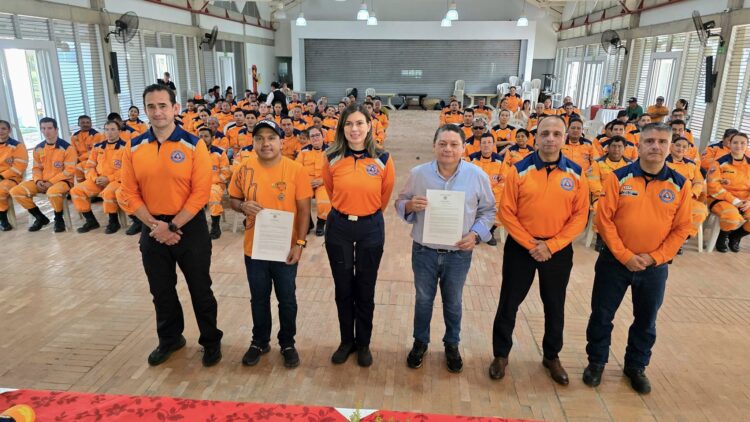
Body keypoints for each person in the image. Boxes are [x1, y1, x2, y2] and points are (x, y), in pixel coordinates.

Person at [116, 84, 223, 367]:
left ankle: (211, 340)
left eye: (163, 105)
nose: (157, 112)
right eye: (151, 106)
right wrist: (155, 226)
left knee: (200, 289)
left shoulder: (194, 145)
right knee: (161, 291)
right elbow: (128, 192)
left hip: (189, 228)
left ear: (175, 108)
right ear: (145, 110)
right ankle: (170, 338)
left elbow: (201, 192)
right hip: (152, 227)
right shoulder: (133, 147)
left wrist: (172, 227)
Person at [583, 123, 692, 394]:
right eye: (650, 141)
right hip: (614, 262)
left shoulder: (681, 184)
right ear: (639, 146)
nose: (656, 146)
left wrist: (655, 258)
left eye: (662, 142)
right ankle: (596, 362)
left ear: (670, 147)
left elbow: (682, 228)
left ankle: (636, 366)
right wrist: (625, 255)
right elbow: (604, 220)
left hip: (654, 268)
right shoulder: (618, 178)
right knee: (602, 315)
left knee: (646, 320)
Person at [489, 115, 589, 385]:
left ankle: (551, 356)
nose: (550, 139)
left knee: (554, 304)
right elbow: (507, 212)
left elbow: (580, 216)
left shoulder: (576, 174)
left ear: (565, 138)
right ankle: (501, 355)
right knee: (509, 302)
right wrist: (531, 244)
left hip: (557, 249)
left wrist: (551, 245)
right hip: (522, 247)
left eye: (556, 134)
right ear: (536, 138)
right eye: (545, 134)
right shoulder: (519, 170)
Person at [395, 125, 495, 373]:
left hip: (459, 254)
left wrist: (475, 234)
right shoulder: (419, 174)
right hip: (424, 252)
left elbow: (488, 211)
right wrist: (410, 206)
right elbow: (400, 202)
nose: (447, 149)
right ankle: (420, 342)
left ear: (464, 148)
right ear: (434, 146)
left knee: (453, 302)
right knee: (423, 300)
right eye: (442, 144)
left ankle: (452, 344)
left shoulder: (477, 176)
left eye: (453, 144)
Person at [228, 119, 312, 368]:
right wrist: (242, 206)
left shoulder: (296, 170)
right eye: (260, 138)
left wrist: (299, 243)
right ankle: (259, 341)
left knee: (287, 299)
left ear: (281, 142)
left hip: (285, 249)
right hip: (254, 249)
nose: (265, 143)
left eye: (271, 138)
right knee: (259, 298)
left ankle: (287, 343)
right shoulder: (243, 168)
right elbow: (233, 199)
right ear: (253, 142)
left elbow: (304, 210)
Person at [322, 104, 395, 367]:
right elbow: (331, 190)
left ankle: (363, 343)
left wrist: (366, 213)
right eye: (349, 124)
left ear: (369, 126)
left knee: (365, 288)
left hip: (370, 228)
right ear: (342, 128)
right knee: (343, 288)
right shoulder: (331, 157)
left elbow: (384, 196)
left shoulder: (383, 158)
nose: (355, 129)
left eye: (360, 123)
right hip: (339, 228)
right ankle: (346, 341)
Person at [10, 117, 76, 233]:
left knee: (52, 192)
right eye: (43, 128)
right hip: (42, 182)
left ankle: (58, 218)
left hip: (63, 182)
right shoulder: (38, 148)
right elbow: (36, 168)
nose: (46, 131)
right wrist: (38, 181)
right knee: (16, 191)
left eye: (50, 128)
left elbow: (69, 171)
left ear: (56, 129)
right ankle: (40, 217)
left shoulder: (67, 148)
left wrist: (51, 182)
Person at [70, 120, 126, 234]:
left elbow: (127, 170)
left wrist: (109, 179)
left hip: (117, 181)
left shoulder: (126, 147)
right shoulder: (98, 147)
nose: (109, 132)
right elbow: (89, 166)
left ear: (119, 131)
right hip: (98, 180)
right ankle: (91, 221)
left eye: (113, 129)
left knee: (108, 192)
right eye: (107, 130)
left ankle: (113, 222)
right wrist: (95, 178)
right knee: (76, 190)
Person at [707, 132, 750, 253]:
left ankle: (735, 236)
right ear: (729, 144)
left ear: (747, 145)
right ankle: (723, 236)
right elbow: (713, 187)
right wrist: (734, 201)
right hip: (720, 199)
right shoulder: (718, 163)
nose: (739, 145)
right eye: (735, 142)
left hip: (744, 200)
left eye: (742, 143)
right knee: (732, 217)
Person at [666, 136, 708, 248]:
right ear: (671, 146)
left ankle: (681, 239)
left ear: (688, 149)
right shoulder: (663, 162)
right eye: (678, 145)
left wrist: (692, 193)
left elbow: (698, 182)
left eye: (684, 147)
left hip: (687, 198)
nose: (681, 148)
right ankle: (669, 238)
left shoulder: (692, 165)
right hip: (667, 198)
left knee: (700, 211)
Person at [467, 132, 505, 246]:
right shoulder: (471, 159)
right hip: (474, 192)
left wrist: (492, 192)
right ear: (480, 145)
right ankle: (476, 232)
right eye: (484, 142)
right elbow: (465, 177)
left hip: (493, 194)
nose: (486, 145)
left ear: (493, 145)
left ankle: (487, 231)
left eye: (489, 142)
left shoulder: (500, 160)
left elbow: (504, 181)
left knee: (501, 207)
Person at [195, 127, 230, 240]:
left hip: (216, 184)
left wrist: (214, 181)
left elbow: (226, 173)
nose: (203, 139)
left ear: (212, 138)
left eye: (206, 136)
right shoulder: (193, 152)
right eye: (200, 136)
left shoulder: (219, 153)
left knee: (213, 194)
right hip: (197, 184)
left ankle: (215, 226)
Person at [296, 127, 330, 236]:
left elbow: (336, 171)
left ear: (323, 136)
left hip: (323, 182)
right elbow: (297, 169)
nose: (315, 138)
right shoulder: (304, 151)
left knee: (324, 201)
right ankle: (307, 222)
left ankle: (321, 222)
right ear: (309, 139)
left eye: (317, 135)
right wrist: (304, 182)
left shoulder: (331, 151)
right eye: (312, 136)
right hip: (306, 182)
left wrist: (323, 181)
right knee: (299, 199)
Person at [0, 120, 27, 231]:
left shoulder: (17, 146)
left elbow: (19, 167)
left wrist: (2, 176)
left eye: (3, 128)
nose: (0, 131)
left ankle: (3, 219)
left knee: (0, 190)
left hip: (12, 178)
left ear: (9, 130)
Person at [70, 115, 105, 182]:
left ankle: (90, 182)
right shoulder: (74, 137)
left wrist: (80, 159)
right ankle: (81, 184)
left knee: (79, 167)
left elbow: (95, 152)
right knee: (75, 167)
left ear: (91, 124)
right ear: (78, 124)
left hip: (94, 159)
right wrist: (76, 160)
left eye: (88, 122)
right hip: (80, 161)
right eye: (83, 122)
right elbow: (73, 152)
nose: (85, 124)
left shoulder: (97, 135)